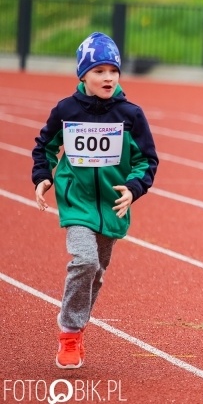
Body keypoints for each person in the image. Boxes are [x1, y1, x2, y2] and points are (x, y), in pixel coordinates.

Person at [31, 32, 159, 368]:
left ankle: (76, 326)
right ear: (83, 75)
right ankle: (70, 334)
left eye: (113, 71)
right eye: (99, 71)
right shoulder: (66, 110)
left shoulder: (130, 115)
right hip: (77, 202)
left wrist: (134, 187)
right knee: (85, 261)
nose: (108, 77)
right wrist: (42, 176)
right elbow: (43, 146)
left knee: (97, 272)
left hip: (112, 208)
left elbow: (147, 159)